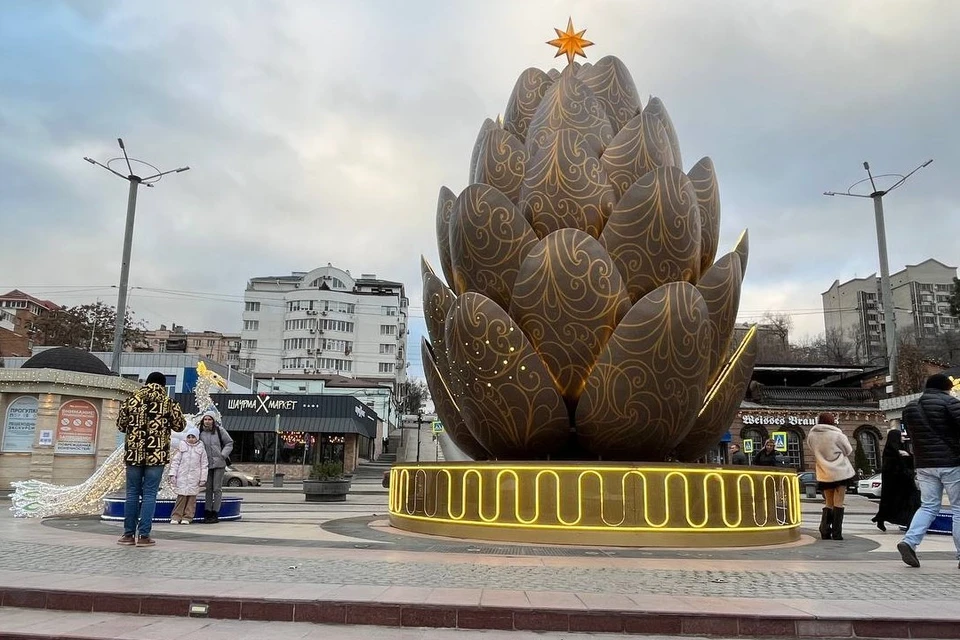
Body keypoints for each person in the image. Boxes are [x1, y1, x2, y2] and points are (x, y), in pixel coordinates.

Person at [896, 373, 960, 568]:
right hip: (952, 462)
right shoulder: (951, 403)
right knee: (958, 509)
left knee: (928, 506)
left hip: (924, 464)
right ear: (948, 388)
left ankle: (909, 541)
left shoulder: (910, 407)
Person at [116, 371, 186, 546]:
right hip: (157, 454)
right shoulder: (169, 403)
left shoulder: (131, 400)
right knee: (149, 494)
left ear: (146, 383)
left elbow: (120, 425)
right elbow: (180, 426)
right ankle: (144, 536)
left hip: (133, 454)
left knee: (132, 493)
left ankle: (128, 535)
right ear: (163, 385)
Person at [808, 412, 856, 540]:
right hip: (840, 472)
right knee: (838, 503)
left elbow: (811, 449)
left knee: (828, 502)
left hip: (824, 472)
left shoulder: (812, 435)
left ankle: (824, 530)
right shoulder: (837, 435)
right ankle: (836, 532)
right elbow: (848, 450)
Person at [871, 429, 920, 532]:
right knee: (901, 503)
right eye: (901, 436)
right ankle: (907, 523)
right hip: (897, 484)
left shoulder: (902, 449)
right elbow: (892, 468)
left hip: (905, 482)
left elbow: (910, 463)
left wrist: (908, 456)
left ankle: (908, 522)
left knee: (911, 503)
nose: (903, 438)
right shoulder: (890, 451)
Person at [198, 410, 234, 524]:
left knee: (217, 488)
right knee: (208, 489)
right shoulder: (200, 432)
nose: (207, 421)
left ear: (213, 420)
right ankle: (207, 511)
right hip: (206, 464)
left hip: (219, 463)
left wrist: (223, 455)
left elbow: (229, 443)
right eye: (205, 419)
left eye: (209, 419)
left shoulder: (219, 430)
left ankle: (215, 512)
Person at [168, 426, 208, 525]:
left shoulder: (201, 449)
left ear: (197, 438)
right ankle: (176, 516)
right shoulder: (181, 447)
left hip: (194, 477)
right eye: (189, 437)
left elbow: (204, 464)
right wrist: (173, 474)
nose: (191, 439)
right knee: (181, 497)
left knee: (191, 499)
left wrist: (203, 478)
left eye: (193, 437)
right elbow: (175, 462)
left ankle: (188, 517)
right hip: (182, 477)